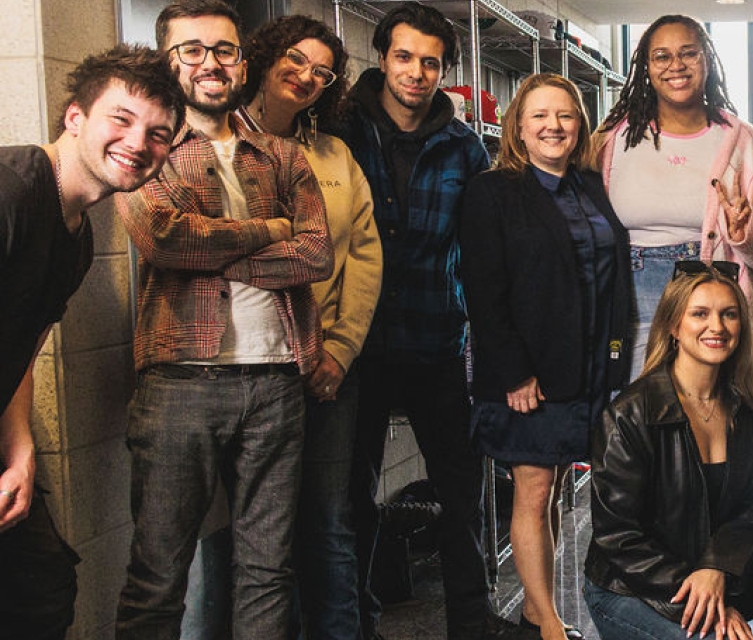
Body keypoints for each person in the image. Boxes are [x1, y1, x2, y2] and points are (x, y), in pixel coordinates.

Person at [113, 1, 333, 637]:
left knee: (268, 571)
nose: (210, 62)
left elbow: (316, 254)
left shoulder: (284, 157)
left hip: (277, 381)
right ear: (167, 61)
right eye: (192, 50)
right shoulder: (147, 150)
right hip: (180, 382)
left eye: (225, 50)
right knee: (158, 575)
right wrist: (269, 231)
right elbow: (165, 239)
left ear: (243, 61)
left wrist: (215, 251)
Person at [330, 2, 509, 638]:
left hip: (436, 339)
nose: (416, 72)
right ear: (381, 57)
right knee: (352, 498)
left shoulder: (463, 147)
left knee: (461, 492)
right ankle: (356, 623)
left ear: (444, 71)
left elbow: (487, 251)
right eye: (404, 57)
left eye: (430, 62)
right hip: (353, 346)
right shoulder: (339, 128)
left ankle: (471, 620)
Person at [0, 44, 182, 640]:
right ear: (75, 117)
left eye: (159, 134)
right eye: (121, 119)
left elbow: (21, 346)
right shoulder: (13, 191)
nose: (139, 143)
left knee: (41, 584)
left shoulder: (76, 235)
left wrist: (20, 448)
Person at [461, 73, 632, 640]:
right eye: (539, 116)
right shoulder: (494, 191)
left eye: (565, 115)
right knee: (533, 490)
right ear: (518, 127)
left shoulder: (589, 184)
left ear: (580, 124)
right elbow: (483, 288)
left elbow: (607, 279)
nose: (553, 126)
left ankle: (539, 610)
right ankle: (551, 628)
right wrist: (512, 370)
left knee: (555, 492)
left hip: (583, 368)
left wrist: (612, 359)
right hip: (527, 375)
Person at [584, 262, 753, 640]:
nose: (716, 327)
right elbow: (619, 537)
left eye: (728, 314)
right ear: (673, 327)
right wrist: (705, 600)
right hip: (632, 587)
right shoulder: (630, 414)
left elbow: (752, 501)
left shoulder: (743, 408)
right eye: (699, 313)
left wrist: (717, 566)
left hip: (709, 566)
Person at [238, 15, 382, 640]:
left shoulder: (333, 155)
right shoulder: (216, 144)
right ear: (266, 57)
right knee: (261, 531)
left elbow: (364, 256)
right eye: (296, 60)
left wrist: (342, 350)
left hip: (327, 373)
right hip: (245, 370)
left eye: (322, 72)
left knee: (328, 520)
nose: (306, 76)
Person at [595, 14, 753, 379]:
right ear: (646, 66)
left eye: (688, 53)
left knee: (726, 415)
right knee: (641, 413)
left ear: (707, 59)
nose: (676, 65)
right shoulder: (612, 139)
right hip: (633, 295)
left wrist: (747, 231)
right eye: (661, 56)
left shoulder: (746, 144)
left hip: (723, 292)